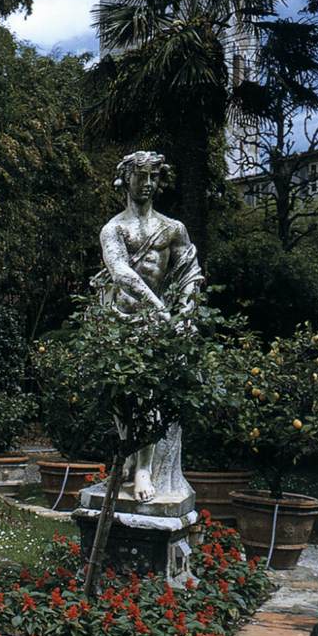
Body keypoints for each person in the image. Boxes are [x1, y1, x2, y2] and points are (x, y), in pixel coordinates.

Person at [94, 150, 202, 503]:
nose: (148, 184)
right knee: (121, 396)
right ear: (126, 178)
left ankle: (144, 467)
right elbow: (121, 273)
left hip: (160, 326)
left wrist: (184, 312)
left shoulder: (173, 228)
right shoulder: (114, 228)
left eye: (153, 177)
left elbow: (190, 272)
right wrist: (157, 307)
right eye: (141, 176)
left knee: (149, 393)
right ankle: (126, 458)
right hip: (122, 319)